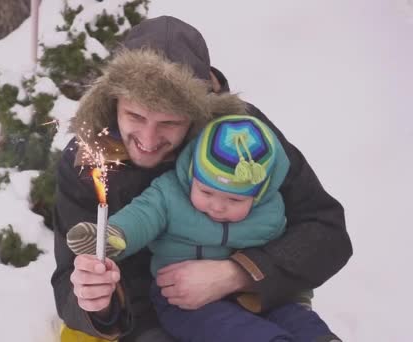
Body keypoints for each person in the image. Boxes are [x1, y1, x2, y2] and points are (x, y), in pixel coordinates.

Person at [51, 15, 352, 342]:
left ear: (198, 115)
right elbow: (70, 278)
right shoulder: (88, 159)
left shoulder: (239, 140)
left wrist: (238, 273)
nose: (149, 140)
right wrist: (95, 302)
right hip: (142, 314)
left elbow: (326, 231)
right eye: (135, 116)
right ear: (114, 102)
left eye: (169, 123)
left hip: (253, 300)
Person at [66, 115, 339, 341]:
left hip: (255, 293)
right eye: (206, 192)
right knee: (233, 330)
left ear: (260, 194)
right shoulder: (170, 194)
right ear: (190, 173)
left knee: (299, 320)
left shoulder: (270, 209)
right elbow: (141, 217)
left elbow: (287, 248)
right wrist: (112, 237)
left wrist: (294, 293)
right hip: (184, 300)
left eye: (234, 199)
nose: (218, 206)